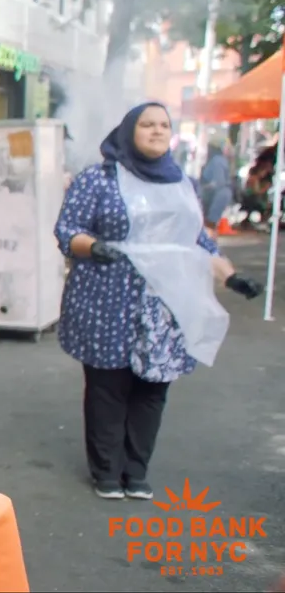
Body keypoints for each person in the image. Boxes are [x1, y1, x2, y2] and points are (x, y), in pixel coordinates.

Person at [54, 103, 263, 501]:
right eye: (146, 124)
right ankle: (106, 472)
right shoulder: (99, 179)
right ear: (129, 130)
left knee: (153, 388)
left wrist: (230, 275)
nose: (156, 131)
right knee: (108, 386)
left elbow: (199, 241)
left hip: (165, 303)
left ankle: (136, 470)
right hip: (107, 298)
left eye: (163, 125)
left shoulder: (180, 183)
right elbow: (68, 230)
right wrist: (94, 247)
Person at [199, 138, 232, 236]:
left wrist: (205, 187)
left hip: (216, 196)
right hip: (215, 195)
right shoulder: (217, 160)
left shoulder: (217, 161)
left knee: (209, 226)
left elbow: (218, 182)